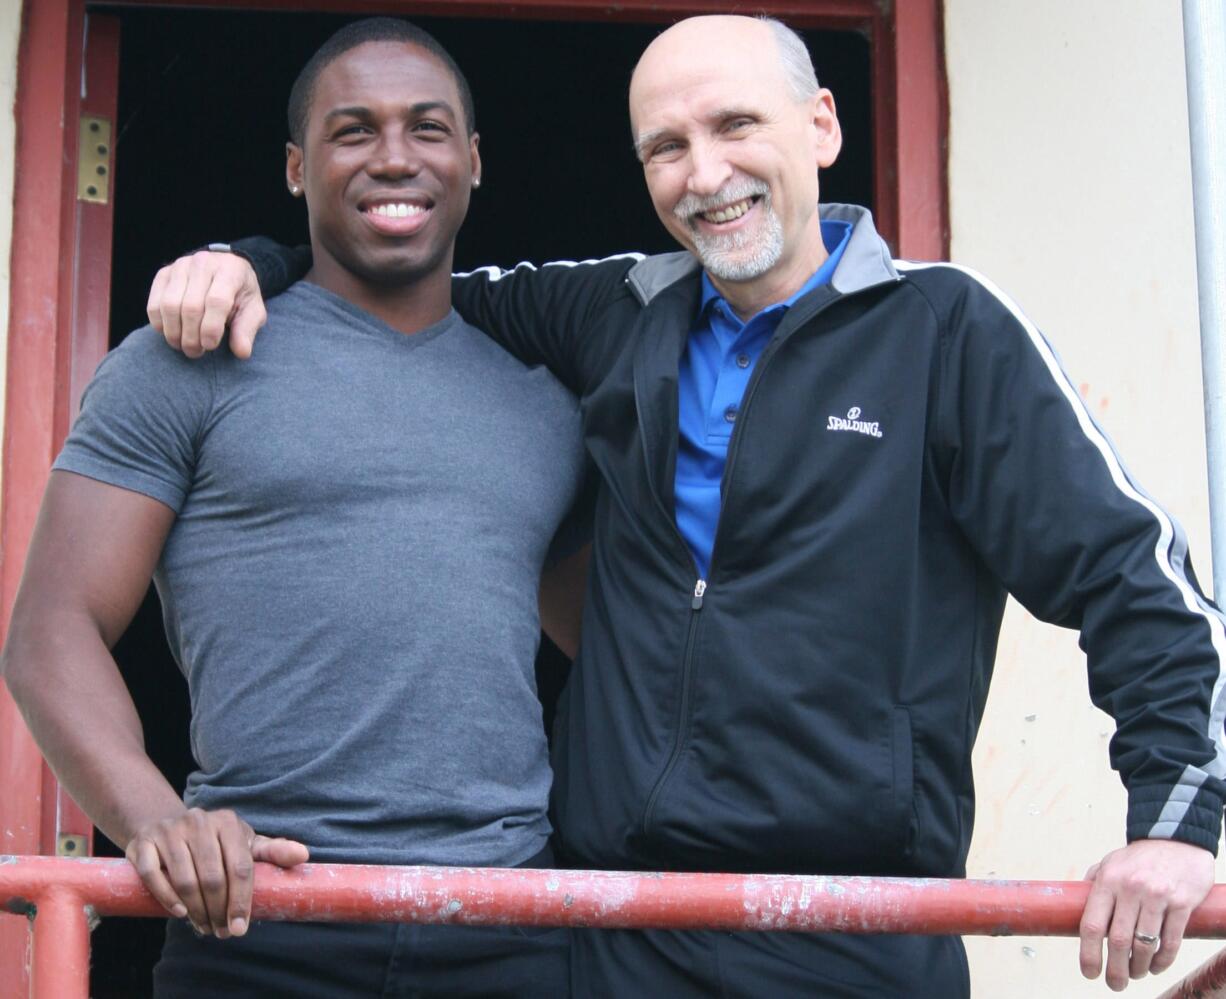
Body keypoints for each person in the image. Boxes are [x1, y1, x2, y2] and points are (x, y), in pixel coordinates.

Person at [146, 13, 1224, 997]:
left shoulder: (944, 333)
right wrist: (247, 261)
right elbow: (396, 263)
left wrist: (1174, 827)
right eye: (666, 147)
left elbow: (1135, 584)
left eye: (734, 125)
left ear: (820, 127)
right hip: (614, 936)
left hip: (850, 936)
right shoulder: (617, 310)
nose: (704, 174)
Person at [0, 18, 588, 998]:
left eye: (427, 129)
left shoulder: (544, 400)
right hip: (261, 922)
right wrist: (157, 820)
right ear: (294, 166)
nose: (393, 157)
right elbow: (51, 630)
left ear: (473, 161)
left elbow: (618, 650)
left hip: (506, 928)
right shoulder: (184, 360)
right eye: (352, 130)